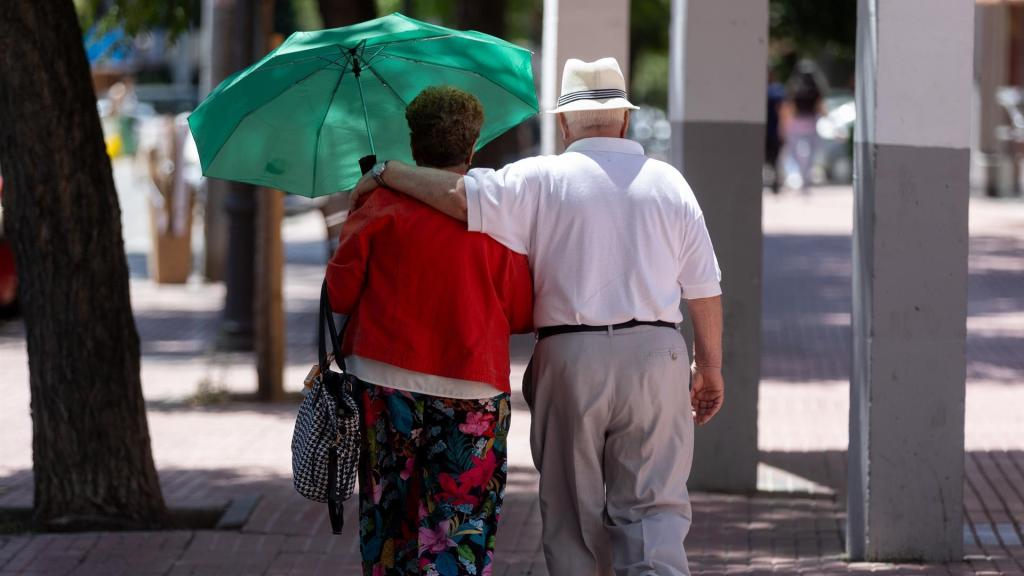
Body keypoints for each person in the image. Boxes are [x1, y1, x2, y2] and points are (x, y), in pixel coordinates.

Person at [351, 58, 726, 576]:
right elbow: (704, 288)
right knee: (654, 511)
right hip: (657, 355)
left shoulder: (538, 177)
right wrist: (710, 366)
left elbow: (457, 196)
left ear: (565, 123)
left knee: (573, 517)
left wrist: (385, 172)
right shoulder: (670, 183)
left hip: (570, 356)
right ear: (623, 120)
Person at [326, 86, 534, 576]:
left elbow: (339, 293)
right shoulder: (495, 220)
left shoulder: (378, 207)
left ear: (415, 146)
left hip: (384, 379)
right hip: (472, 384)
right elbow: (522, 312)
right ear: (472, 147)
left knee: (389, 519)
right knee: (459, 526)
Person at [780, 59, 827, 192]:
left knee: (795, 153)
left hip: (796, 125)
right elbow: (820, 108)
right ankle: (805, 177)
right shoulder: (817, 88)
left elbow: (789, 108)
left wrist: (785, 125)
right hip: (810, 124)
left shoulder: (793, 87)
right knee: (811, 153)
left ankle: (801, 176)